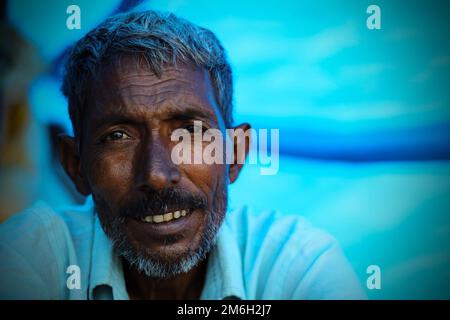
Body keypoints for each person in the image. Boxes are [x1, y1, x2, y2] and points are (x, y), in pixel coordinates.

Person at [0, 10, 365, 300]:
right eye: (118, 136)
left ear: (235, 153)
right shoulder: (33, 258)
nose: (157, 174)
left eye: (190, 132)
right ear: (74, 166)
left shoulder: (293, 266)